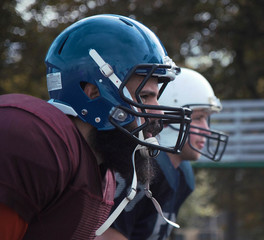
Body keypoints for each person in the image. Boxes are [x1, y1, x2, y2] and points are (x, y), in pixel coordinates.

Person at [0, 14, 192, 240]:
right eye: (145, 96)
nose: (158, 112)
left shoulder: (101, 171)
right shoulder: (31, 139)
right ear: (92, 92)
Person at [98, 68, 228, 240]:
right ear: (168, 117)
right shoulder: (144, 162)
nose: (207, 130)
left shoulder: (182, 173)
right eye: (198, 118)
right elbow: (104, 233)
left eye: (206, 119)